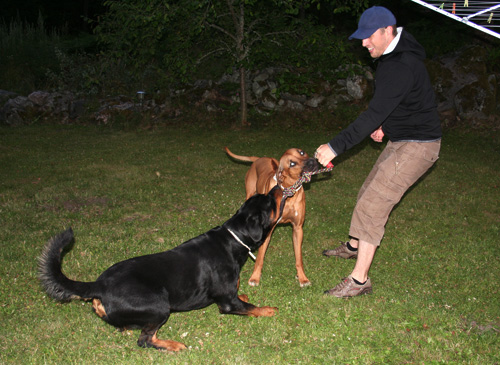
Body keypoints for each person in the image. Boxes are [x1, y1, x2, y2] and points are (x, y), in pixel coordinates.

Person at [314, 6, 442, 298]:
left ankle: (359, 281)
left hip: (418, 145)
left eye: (368, 37)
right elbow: (397, 101)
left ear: (388, 30)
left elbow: (371, 114)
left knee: (374, 204)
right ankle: (354, 246)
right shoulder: (392, 57)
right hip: (403, 138)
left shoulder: (400, 64)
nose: (363, 43)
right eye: (361, 38)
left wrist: (334, 147)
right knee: (368, 190)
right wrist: (387, 125)